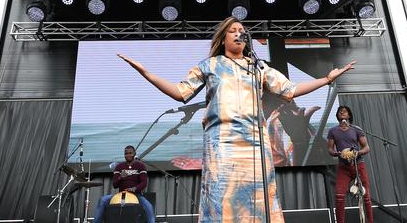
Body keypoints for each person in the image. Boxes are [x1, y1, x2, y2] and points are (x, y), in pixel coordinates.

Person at [117, 16, 356, 222]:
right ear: (222, 38)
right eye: (232, 30)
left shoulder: (258, 67)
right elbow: (181, 93)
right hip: (221, 142)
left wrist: (326, 79)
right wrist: (146, 72)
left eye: (242, 31)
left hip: (255, 142)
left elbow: (290, 90)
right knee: (222, 197)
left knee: (259, 196)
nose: (238, 33)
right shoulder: (210, 65)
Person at [327, 105, 374, 223]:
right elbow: (330, 150)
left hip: (359, 165)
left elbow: (367, 147)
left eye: (345, 111)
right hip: (343, 168)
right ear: (337, 116)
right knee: (339, 196)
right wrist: (337, 153)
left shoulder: (356, 129)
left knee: (366, 197)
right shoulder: (333, 131)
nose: (342, 112)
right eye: (340, 112)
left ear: (349, 115)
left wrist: (358, 153)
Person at [92, 145, 155, 223]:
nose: (128, 155)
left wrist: (134, 189)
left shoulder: (141, 166)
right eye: (126, 153)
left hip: (136, 194)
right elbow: (115, 185)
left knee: (149, 206)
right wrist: (120, 178)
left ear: (134, 153)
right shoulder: (119, 166)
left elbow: (144, 183)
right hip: (121, 194)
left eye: (130, 153)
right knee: (102, 200)